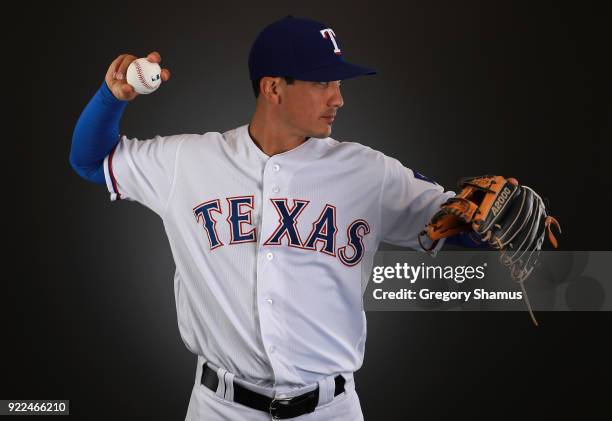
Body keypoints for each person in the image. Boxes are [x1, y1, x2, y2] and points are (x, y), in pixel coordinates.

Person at [70, 15, 481, 421]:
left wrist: (490, 231)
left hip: (330, 411)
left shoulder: (369, 172)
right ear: (273, 88)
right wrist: (112, 97)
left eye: (338, 83)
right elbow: (91, 161)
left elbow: (460, 229)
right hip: (219, 409)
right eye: (322, 82)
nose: (337, 98)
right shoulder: (188, 160)